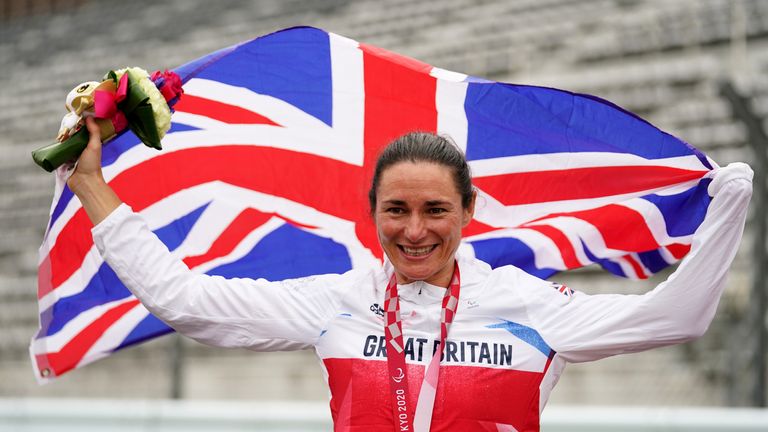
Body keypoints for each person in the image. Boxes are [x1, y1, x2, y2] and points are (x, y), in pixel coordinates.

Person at [68, 117, 752, 431]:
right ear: (371, 213)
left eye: (435, 210)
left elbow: (677, 317)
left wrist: (729, 207)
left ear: (468, 211)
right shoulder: (339, 299)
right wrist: (94, 186)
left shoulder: (529, 303)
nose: (415, 230)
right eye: (396, 210)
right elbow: (186, 301)